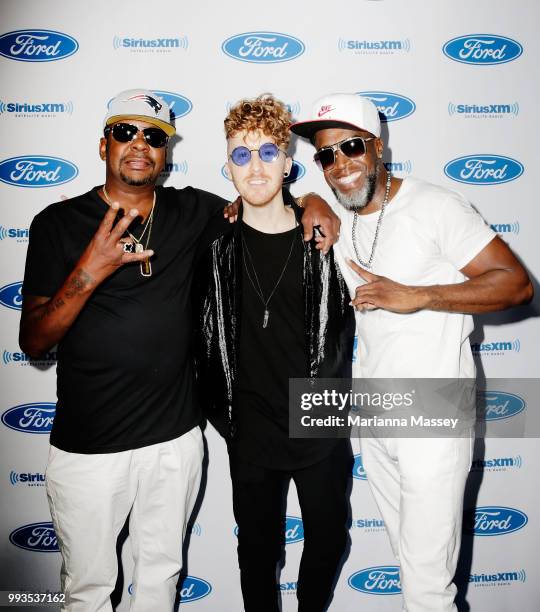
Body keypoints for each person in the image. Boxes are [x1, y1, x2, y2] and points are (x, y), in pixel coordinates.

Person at [19, 88, 340, 612]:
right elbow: (33, 340)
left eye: (153, 135)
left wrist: (314, 201)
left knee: (159, 583)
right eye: (125, 132)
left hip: (173, 441)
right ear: (104, 145)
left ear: (167, 150)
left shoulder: (197, 213)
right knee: (86, 590)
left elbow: (261, 198)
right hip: (87, 446)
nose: (139, 144)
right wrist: (91, 269)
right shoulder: (56, 223)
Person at [291, 93, 533, 612]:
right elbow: (290, 200)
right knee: (413, 568)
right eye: (326, 156)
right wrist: (310, 199)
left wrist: (419, 296)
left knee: (427, 589)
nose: (340, 165)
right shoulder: (336, 212)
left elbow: (516, 284)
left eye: (351, 148)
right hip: (376, 411)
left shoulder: (436, 206)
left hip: (436, 411)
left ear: (378, 147)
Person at [193, 94, 355, 612]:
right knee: (257, 554)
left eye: (268, 153)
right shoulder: (214, 244)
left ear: (288, 164)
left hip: (319, 420)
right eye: (242, 156)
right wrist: (225, 415)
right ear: (228, 168)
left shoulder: (327, 238)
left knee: (329, 539)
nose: (255, 166)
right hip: (251, 426)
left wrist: (315, 200)